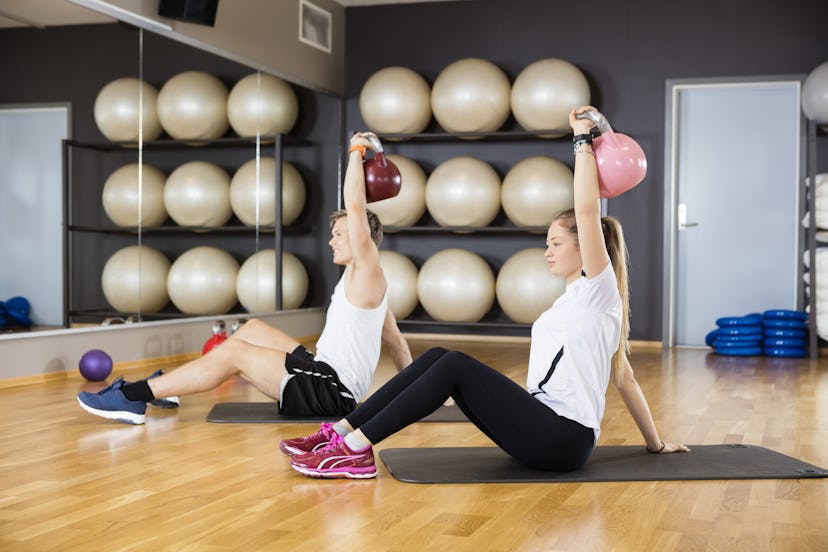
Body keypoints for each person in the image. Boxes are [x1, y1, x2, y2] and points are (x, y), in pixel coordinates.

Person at [282, 106, 690, 479]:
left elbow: (586, 211)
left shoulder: (598, 292)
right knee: (442, 358)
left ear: (587, 249)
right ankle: (338, 434)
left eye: (556, 244)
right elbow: (627, 379)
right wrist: (655, 444)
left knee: (454, 364)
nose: (546, 251)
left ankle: (355, 450)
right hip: (539, 427)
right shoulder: (572, 303)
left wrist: (583, 140)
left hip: (563, 439)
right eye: (546, 243)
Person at [77, 132, 413, 425]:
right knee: (251, 329)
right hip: (323, 370)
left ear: (361, 239)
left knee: (234, 353)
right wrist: (418, 395)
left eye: (340, 234)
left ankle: (133, 397)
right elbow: (396, 341)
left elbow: (355, 205)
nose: (332, 240)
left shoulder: (368, 271)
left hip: (330, 391)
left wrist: (356, 150)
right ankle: (172, 388)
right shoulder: (367, 289)